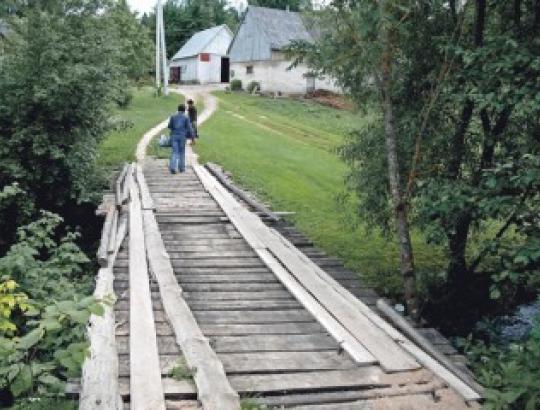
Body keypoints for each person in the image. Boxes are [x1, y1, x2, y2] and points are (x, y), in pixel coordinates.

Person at [168, 104, 193, 174]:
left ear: (178, 109)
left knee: (174, 152)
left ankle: (173, 167)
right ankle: (181, 168)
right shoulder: (186, 118)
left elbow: (169, 126)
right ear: (184, 110)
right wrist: (192, 138)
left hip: (174, 136)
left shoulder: (173, 116)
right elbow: (189, 128)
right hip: (182, 137)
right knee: (182, 152)